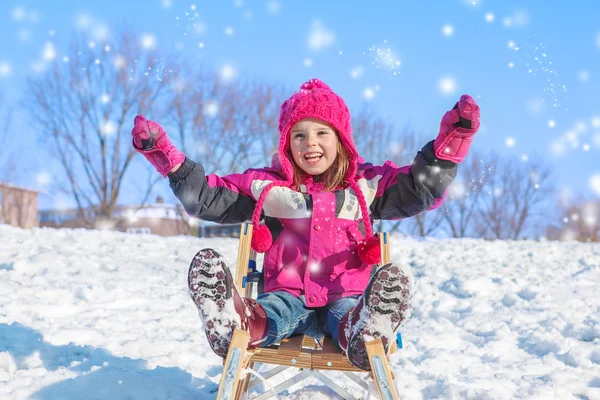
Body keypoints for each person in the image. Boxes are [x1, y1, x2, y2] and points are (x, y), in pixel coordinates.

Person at [131, 78, 480, 370]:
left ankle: (368, 328)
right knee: (270, 314)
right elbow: (208, 197)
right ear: (286, 144)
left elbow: (419, 190)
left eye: (321, 133)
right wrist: (170, 162)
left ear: (341, 140)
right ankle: (234, 320)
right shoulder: (266, 186)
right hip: (286, 294)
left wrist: (450, 145)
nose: (309, 142)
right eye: (298, 135)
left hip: (345, 295)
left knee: (349, 316)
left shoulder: (366, 184)